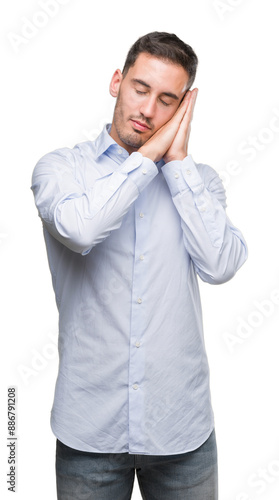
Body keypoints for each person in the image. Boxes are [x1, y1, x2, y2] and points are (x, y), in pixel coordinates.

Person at [31, 31, 247, 500]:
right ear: (116, 82)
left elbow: (221, 265)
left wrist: (178, 162)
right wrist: (150, 156)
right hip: (89, 430)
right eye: (140, 89)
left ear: (183, 110)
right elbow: (80, 230)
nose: (148, 110)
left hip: (181, 431)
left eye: (168, 100)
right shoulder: (60, 170)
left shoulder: (199, 181)